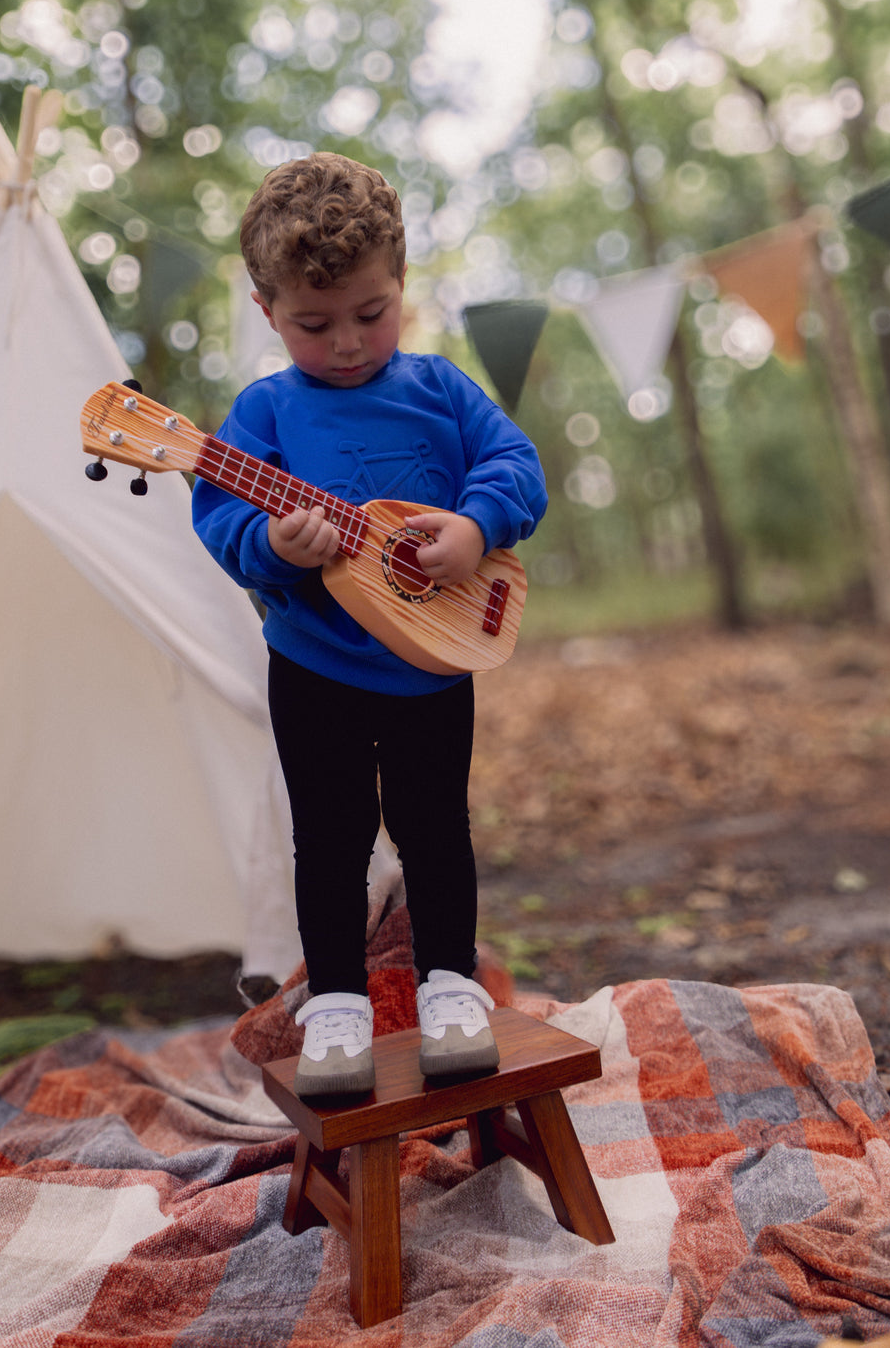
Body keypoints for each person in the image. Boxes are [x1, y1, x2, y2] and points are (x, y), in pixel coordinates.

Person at [193, 152, 547, 1099]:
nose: (347, 343)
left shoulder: (441, 392)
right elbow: (220, 524)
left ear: (402, 288)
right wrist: (273, 543)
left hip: (434, 663)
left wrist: (476, 526)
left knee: (438, 830)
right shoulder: (261, 414)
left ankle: (450, 990)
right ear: (268, 312)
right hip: (315, 665)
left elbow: (518, 465)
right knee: (331, 837)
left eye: (370, 313)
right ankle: (340, 1010)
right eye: (314, 324)